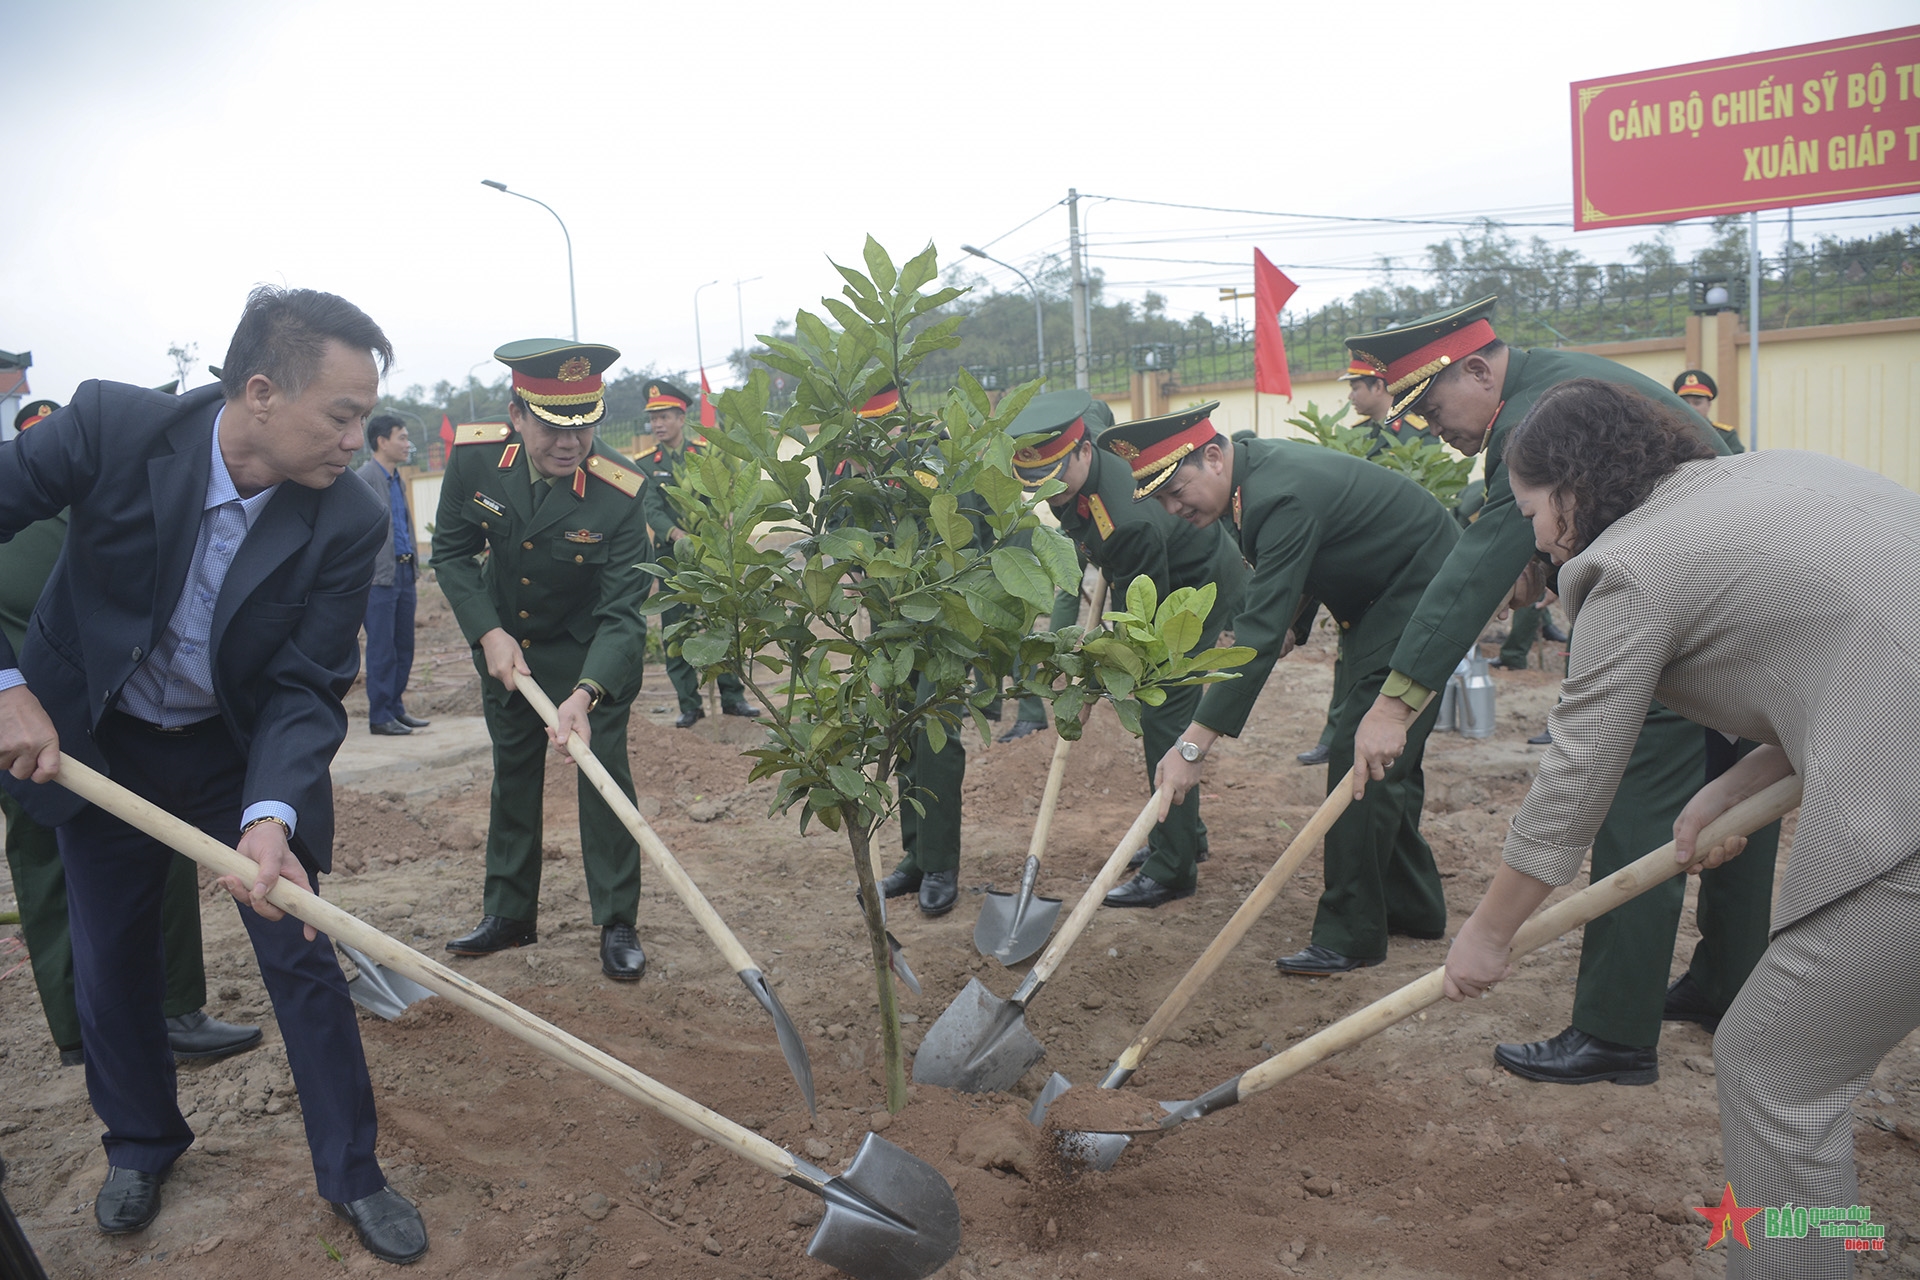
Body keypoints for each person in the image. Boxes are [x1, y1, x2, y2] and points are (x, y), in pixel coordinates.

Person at [1444, 377, 1920, 1280]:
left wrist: (1488, 933)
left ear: (1572, 491)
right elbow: (1862, 639)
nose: (1539, 536)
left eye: (1533, 510)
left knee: (1775, 1071)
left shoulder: (1627, 565)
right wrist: (1726, 786)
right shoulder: (1763, 481)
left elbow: (1577, 772)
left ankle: (1799, 1262)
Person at [0, 287, 427, 1262]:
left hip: (234, 751)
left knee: (300, 945)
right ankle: (142, 1141)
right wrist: (5, 681)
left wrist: (272, 813)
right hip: (95, 740)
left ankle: (351, 1170)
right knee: (115, 957)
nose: (359, 440)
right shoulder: (112, 426)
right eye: (344, 414)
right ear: (264, 392)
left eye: (367, 417)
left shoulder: (347, 515)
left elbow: (307, 684)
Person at [1350, 296, 1780, 1084]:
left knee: (1636, 805)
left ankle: (1615, 1033)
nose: (1433, 428)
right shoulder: (1557, 384)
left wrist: (1395, 700)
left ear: (1478, 371)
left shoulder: (1533, 415)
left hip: (1676, 609)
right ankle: (1728, 986)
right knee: (1738, 791)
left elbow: (1478, 564)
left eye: (1434, 407)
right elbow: (1509, 531)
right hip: (1741, 599)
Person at [1102, 400, 1458, 974]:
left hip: (1418, 597)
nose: (1173, 508)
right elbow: (1316, 554)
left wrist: (1192, 745)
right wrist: (1293, 621)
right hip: (1384, 598)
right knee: (1384, 765)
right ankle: (1411, 904)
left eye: (1177, 489)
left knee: (1356, 757)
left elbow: (1260, 633)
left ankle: (1351, 932)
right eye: (1161, 499)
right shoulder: (1249, 480)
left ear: (1213, 457)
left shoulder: (1277, 494)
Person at [0, 399, 261, 1069]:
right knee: (53, 878)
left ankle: (176, 1008)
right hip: (29, 728)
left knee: (161, 871)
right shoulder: (30, 518)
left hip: (122, 725)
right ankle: (78, 1029)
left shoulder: (119, 492)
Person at [434, 339, 651, 981]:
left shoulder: (620, 492)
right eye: (554, 425)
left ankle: (617, 921)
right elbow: (450, 553)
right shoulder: (476, 462)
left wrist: (585, 693)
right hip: (506, 650)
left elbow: (622, 614)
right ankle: (509, 913)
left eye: (585, 423)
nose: (571, 441)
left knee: (603, 779)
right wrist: (488, 633)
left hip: (590, 658)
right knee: (515, 775)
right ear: (517, 414)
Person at [1009, 390, 1247, 908]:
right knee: (1156, 709)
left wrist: (1101, 674)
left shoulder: (1125, 521)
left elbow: (1143, 620)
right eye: (1034, 482)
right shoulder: (1084, 449)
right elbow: (1095, 409)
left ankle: (1172, 868)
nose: (1046, 494)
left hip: (1191, 583)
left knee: (1160, 710)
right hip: (1152, 566)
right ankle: (1185, 837)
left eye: (1053, 479)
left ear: (1084, 452)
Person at [637, 378, 757, 727]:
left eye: (664, 416)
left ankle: (733, 698)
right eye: (653, 418)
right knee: (676, 629)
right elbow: (651, 507)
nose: (658, 424)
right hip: (672, 558)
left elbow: (720, 497)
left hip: (709, 554)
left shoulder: (704, 457)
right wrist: (675, 533)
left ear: (681, 416)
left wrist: (725, 516)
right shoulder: (646, 464)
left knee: (720, 622)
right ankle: (690, 704)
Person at [354, 414, 428, 736]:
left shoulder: (397, 478)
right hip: (379, 579)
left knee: (403, 645)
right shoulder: (364, 479)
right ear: (382, 441)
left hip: (404, 571)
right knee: (382, 647)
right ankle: (380, 715)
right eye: (401, 437)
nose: (406, 443)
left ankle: (396, 708)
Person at [1672, 368, 1745, 453]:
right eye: (1685, 403)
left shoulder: (1725, 435)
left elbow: (1737, 463)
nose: (1691, 408)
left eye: (1697, 403)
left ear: (1709, 404)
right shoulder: (1671, 433)